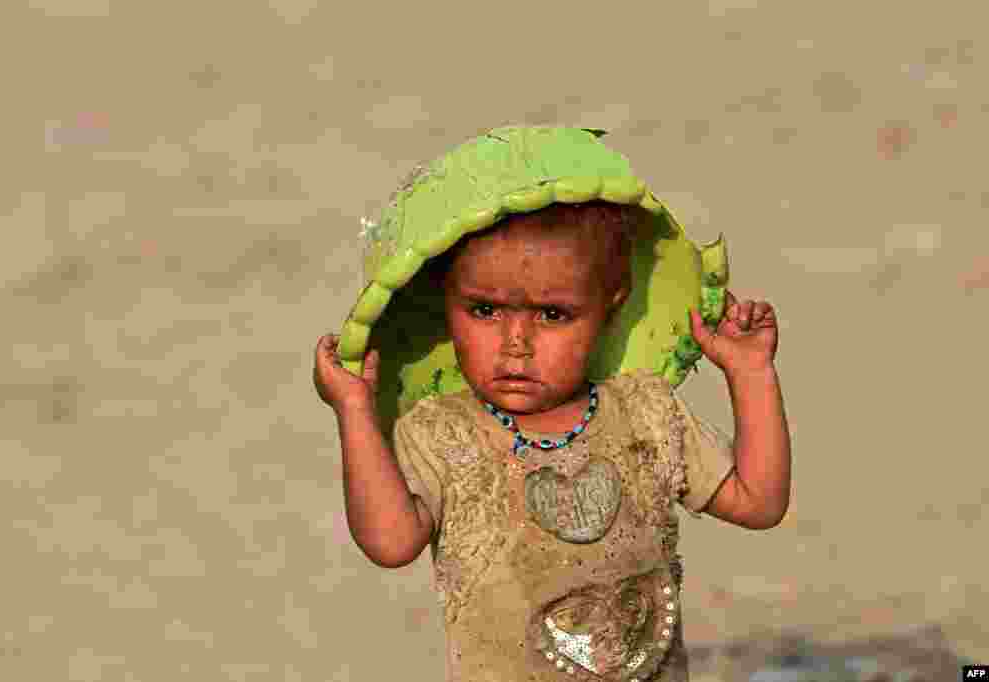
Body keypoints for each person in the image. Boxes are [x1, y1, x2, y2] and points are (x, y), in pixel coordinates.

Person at [314, 172, 790, 681]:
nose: (515, 342)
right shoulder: (444, 433)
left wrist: (751, 374)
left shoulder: (646, 412)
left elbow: (758, 502)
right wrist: (355, 412)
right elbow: (390, 543)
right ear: (444, 304)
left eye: (552, 314)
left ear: (610, 306)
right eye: (485, 309)